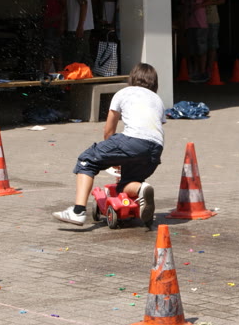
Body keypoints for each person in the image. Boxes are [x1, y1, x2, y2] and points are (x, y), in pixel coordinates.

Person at [52, 63, 163, 229]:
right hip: (155, 149)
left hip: (132, 141)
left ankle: (77, 211)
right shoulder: (157, 100)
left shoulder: (124, 92)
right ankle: (142, 188)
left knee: (87, 160)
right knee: (125, 184)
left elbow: (109, 131)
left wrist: (113, 156)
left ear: (132, 78)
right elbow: (153, 128)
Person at [31, 0, 66, 75]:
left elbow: (63, 3)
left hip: (55, 23)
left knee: (50, 51)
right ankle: (57, 77)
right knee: (53, 51)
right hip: (46, 23)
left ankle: (45, 77)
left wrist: (62, 22)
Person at [180, 0, 210, 83]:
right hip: (189, 22)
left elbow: (208, 1)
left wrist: (199, 5)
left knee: (201, 48)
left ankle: (203, 72)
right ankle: (197, 71)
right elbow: (183, 6)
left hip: (200, 22)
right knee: (193, 49)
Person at [200, 0, 226, 75]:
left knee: (212, 45)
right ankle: (202, 69)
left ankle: (210, 69)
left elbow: (222, 0)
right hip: (201, 19)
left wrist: (211, 2)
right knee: (202, 45)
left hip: (213, 18)